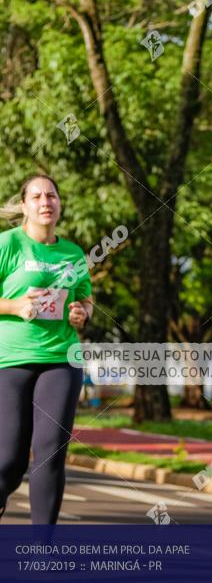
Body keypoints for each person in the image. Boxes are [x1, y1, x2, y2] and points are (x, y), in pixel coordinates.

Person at [0, 175, 93, 524]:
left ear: (59, 204)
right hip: (10, 361)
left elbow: (85, 298)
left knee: (50, 454)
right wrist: (14, 306)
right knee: (8, 461)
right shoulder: (8, 245)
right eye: (36, 196)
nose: (45, 201)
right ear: (24, 205)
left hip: (61, 359)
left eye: (51, 195)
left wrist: (82, 313)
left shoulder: (72, 253)